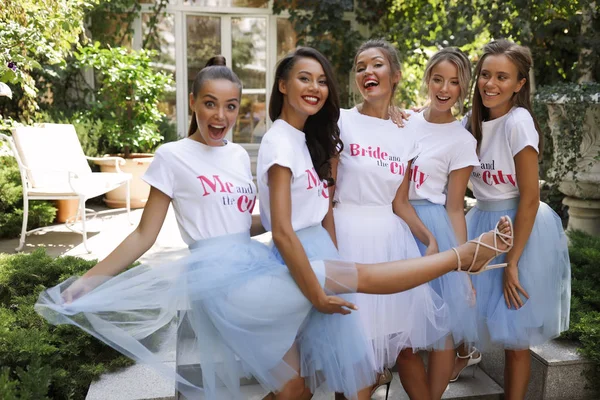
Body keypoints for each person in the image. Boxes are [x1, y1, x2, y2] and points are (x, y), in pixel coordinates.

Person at [36, 54, 514, 400]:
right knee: (361, 278)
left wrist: (288, 232)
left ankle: (460, 256)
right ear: (192, 102)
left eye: (229, 106)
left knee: (296, 388)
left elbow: (251, 221)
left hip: (249, 263)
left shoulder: (241, 153)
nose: (219, 116)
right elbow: (144, 235)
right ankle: (463, 257)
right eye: (209, 104)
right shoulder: (175, 156)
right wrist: (86, 281)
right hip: (221, 279)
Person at [329, 39, 450, 400]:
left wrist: (428, 239)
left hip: (390, 245)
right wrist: (329, 250)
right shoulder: (340, 121)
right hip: (348, 239)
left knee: (397, 347)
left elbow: (400, 202)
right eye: (360, 66)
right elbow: (327, 193)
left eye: (377, 64)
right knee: (352, 352)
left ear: (395, 75)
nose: (367, 71)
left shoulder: (407, 131)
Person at [464, 39, 571, 400]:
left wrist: (513, 261)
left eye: (502, 77)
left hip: (520, 230)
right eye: (485, 75)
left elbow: (530, 198)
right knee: (460, 324)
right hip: (482, 225)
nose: (490, 84)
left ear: (520, 84)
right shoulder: (471, 123)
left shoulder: (518, 122)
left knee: (516, 338)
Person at [406, 47, 481, 395]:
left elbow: (454, 207)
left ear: (463, 88)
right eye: (438, 79)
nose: (444, 88)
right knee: (398, 322)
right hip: (394, 221)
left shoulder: (462, 140)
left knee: (441, 327)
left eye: (454, 82)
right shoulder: (403, 121)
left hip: (434, 225)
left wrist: (463, 267)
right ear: (427, 79)